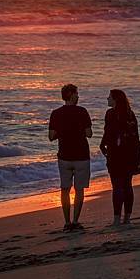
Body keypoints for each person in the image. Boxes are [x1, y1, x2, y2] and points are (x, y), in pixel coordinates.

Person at [49, 84, 92, 232]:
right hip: (81, 156)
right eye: (77, 93)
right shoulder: (82, 111)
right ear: (71, 95)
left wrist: (63, 131)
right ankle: (75, 221)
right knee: (79, 190)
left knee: (65, 189)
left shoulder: (56, 113)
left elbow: (51, 137)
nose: (78, 96)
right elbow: (89, 134)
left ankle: (67, 222)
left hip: (64, 156)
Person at [100, 89, 140, 226]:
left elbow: (107, 133)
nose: (107, 99)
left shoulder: (111, 114)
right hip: (128, 155)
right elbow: (135, 138)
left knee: (117, 187)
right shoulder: (129, 114)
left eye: (109, 97)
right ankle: (127, 218)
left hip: (115, 155)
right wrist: (138, 159)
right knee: (127, 186)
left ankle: (116, 219)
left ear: (115, 99)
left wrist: (102, 145)